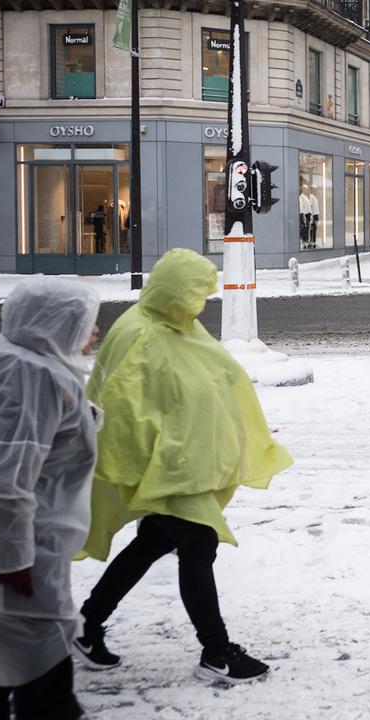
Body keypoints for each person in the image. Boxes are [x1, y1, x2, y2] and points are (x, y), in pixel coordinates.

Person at [74, 249, 293, 685]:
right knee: (198, 544)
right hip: (166, 468)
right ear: (172, 289)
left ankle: (86, 623)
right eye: (195, 293)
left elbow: (206, 376)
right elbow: (120, 408)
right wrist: (154, 461)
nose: (201, 304)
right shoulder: (139, 333)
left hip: (185, 465)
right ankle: (216, 652)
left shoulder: (177, 326)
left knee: (153, 542)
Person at [0, 278, 100, 720]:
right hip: (16, 549)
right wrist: (12, 561)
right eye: (85, 322)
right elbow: (9, 478)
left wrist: (78, 413)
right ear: (54, 323)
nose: (94, 332)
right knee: (36, 666)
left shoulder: (8, 351)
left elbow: (7, 427)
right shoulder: (33, 376)